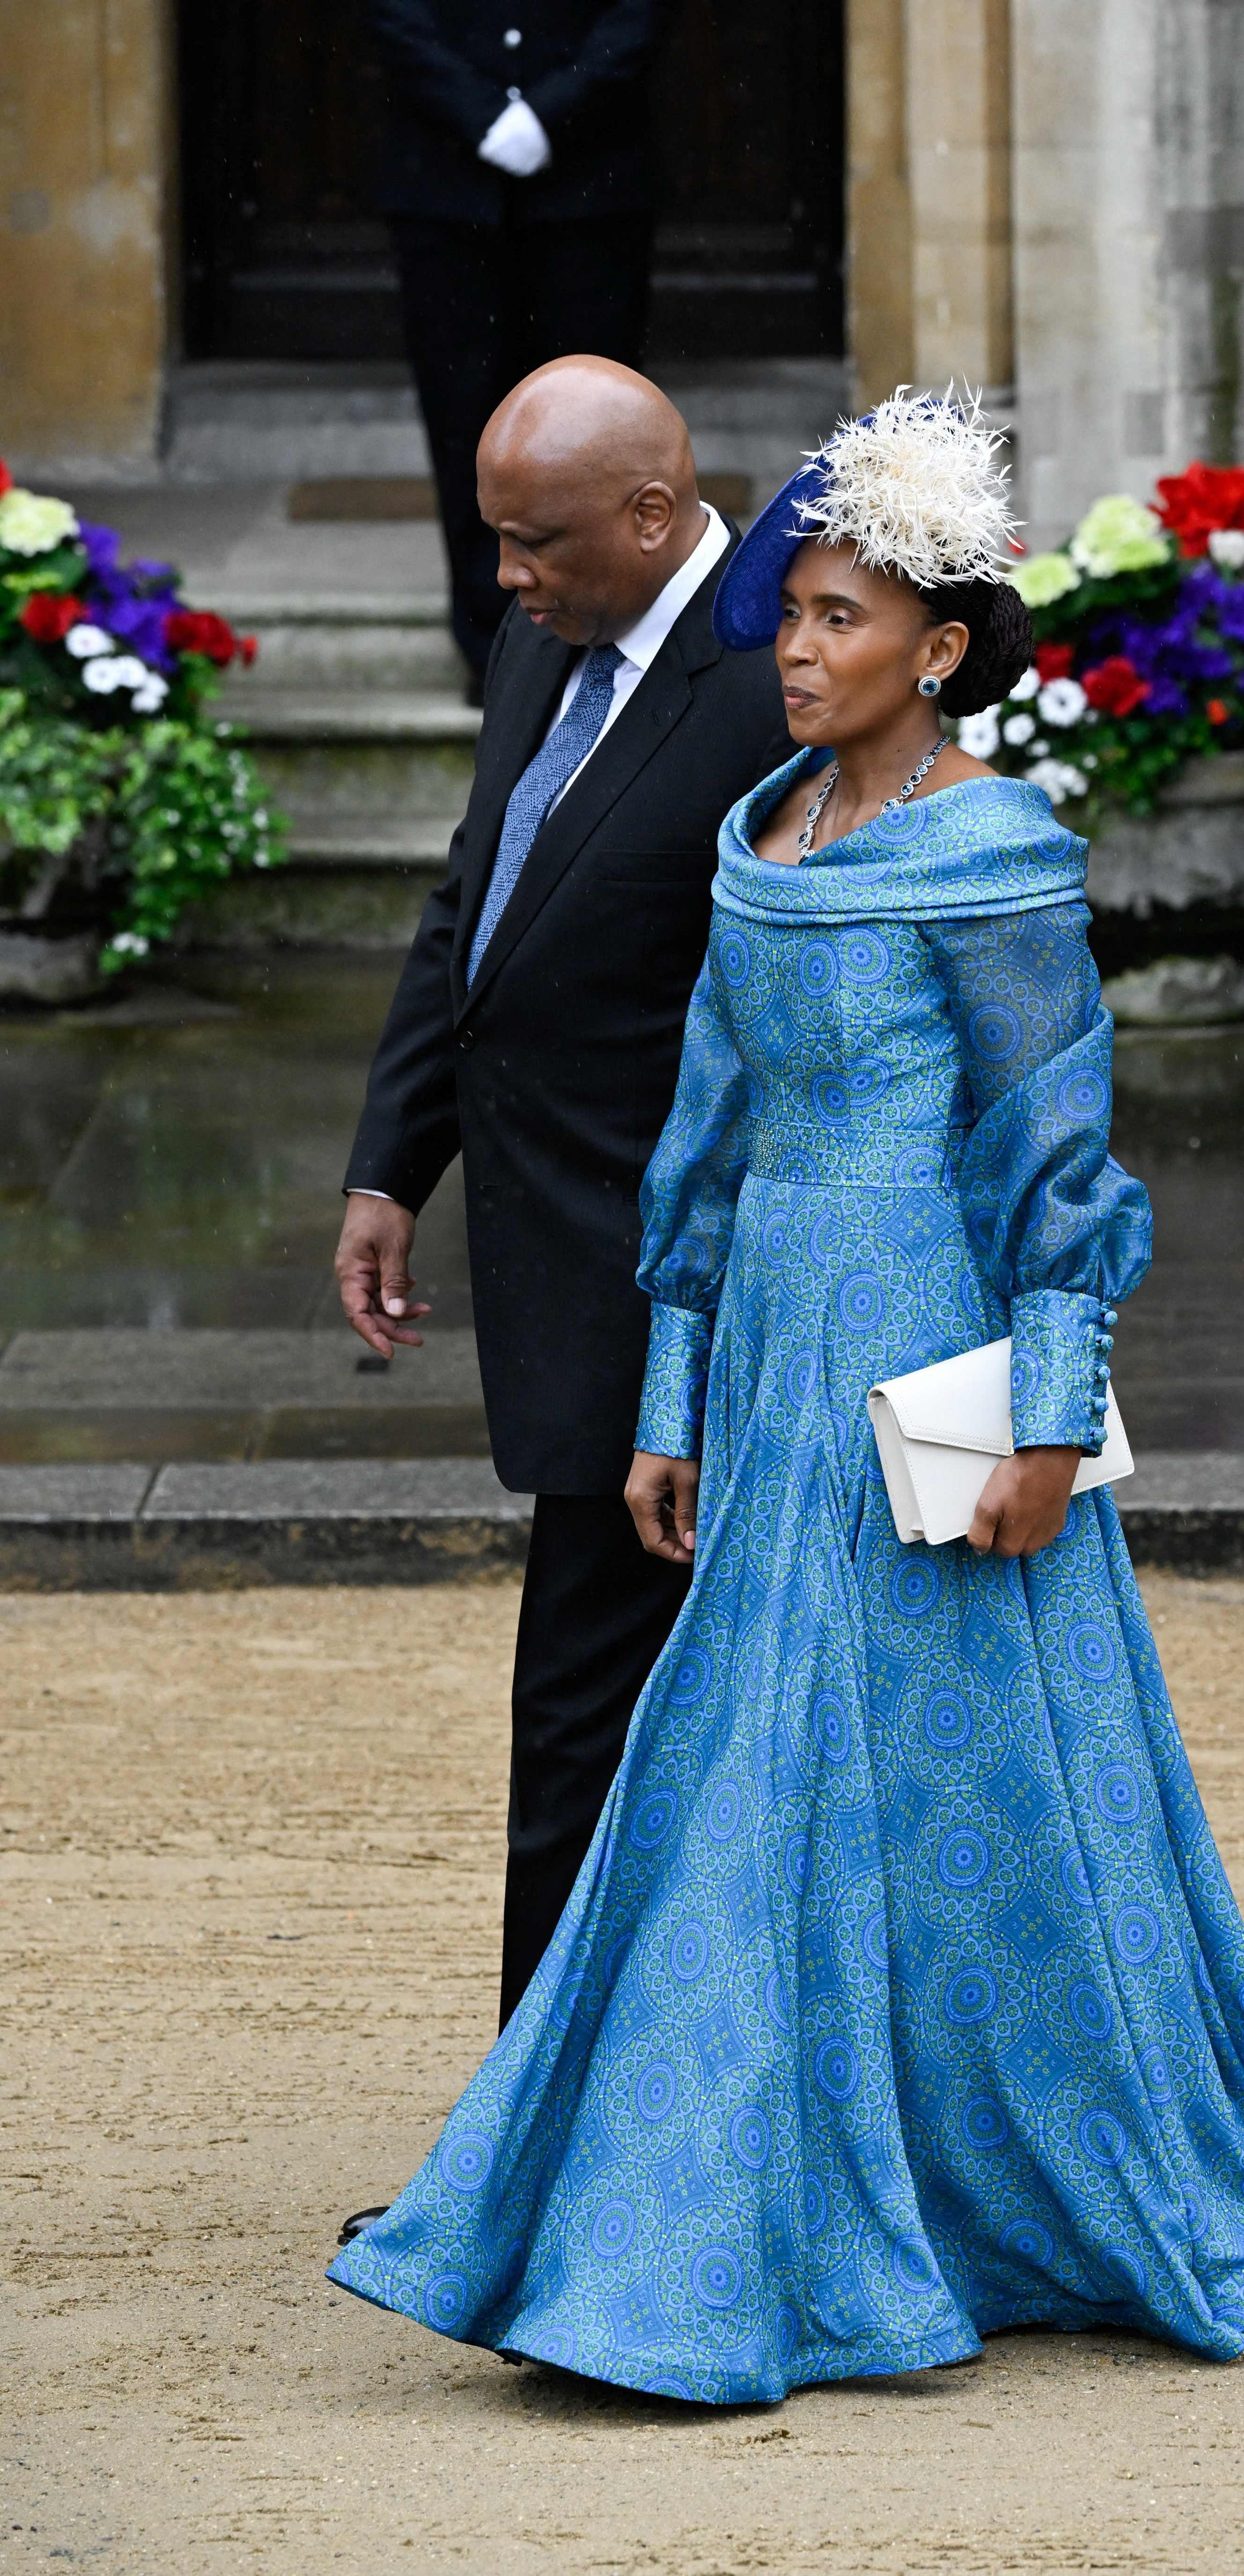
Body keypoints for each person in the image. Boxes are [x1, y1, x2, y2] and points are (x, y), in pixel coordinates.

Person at [329, 394, 1244, 2400]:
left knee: (973, 1775)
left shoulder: (997, 857)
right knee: (737, 1764)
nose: (791, 650)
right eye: (785, 612)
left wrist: (1048, 1420)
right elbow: (700, 1150)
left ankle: (987, 2181)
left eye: (836, 618)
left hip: (935, 1359)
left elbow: (1057, 1167)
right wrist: (668, 1396)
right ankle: (693, 2192)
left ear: (937, 647)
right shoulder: (754, 835)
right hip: (776, 1348)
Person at [333, 357, 792, 2098]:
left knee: (593, 1726)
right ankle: (577, 2127)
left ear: (654, 518)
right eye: (493, 544)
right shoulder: (546, 634)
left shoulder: (777, 686)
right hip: (559, 1269)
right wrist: (395, 1166)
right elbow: (479, 901)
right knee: (591, 1727)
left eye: (532, 545)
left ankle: (548, 2150)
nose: (503, 580)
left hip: (699, 1302)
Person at [367, 0, 658, 687]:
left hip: (589, 187)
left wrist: (548, 113)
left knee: (594, 433)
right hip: (447, 186)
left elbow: (634, 19)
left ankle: (597, 634)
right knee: (463, 418)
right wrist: (481, 115)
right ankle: (494, 654)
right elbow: (399, 18)